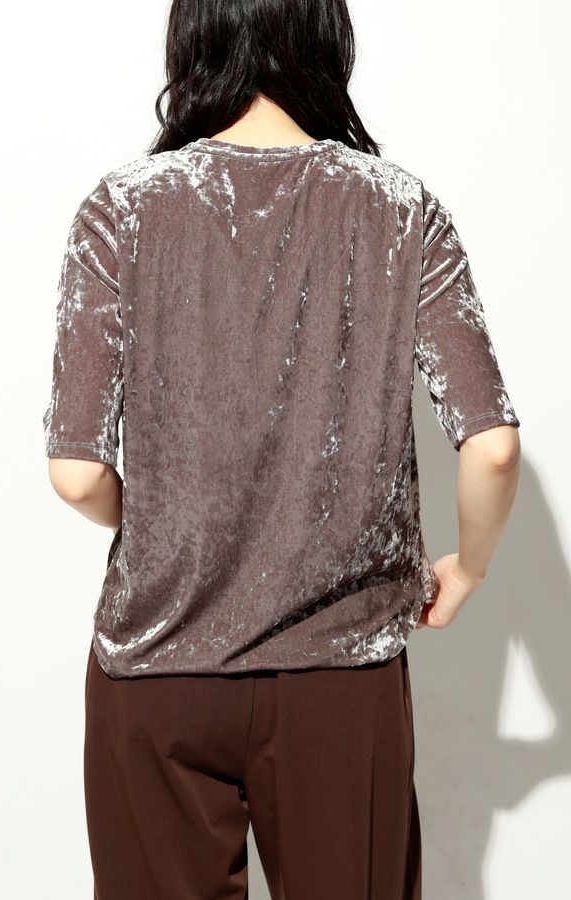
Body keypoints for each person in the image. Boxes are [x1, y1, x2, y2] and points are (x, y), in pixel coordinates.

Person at [42, 1, 521, 897]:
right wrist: (470, 570)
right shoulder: (400, 207)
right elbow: (492, 447)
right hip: (340, 679)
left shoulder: (121, 210)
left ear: (193, 40)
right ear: (325, 39)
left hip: (156, 672)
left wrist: (163, 521)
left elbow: (75, 472)